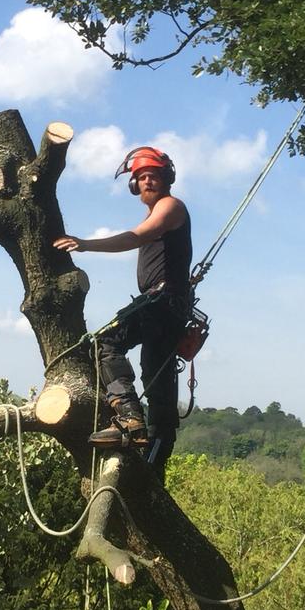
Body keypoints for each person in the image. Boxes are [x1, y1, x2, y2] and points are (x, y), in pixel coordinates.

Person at [54, 146, 192, 466]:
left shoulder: (169, 206)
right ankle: (154, 463)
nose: (147, 182)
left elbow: (135, 237)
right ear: (134, 185)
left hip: (161, 302)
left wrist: (86, 244)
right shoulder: (162, 211)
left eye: (152, 176)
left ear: (166, 179)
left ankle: (128, 417)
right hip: (170, 306)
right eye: (141, 178)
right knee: (157, 387)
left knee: (106, 341)